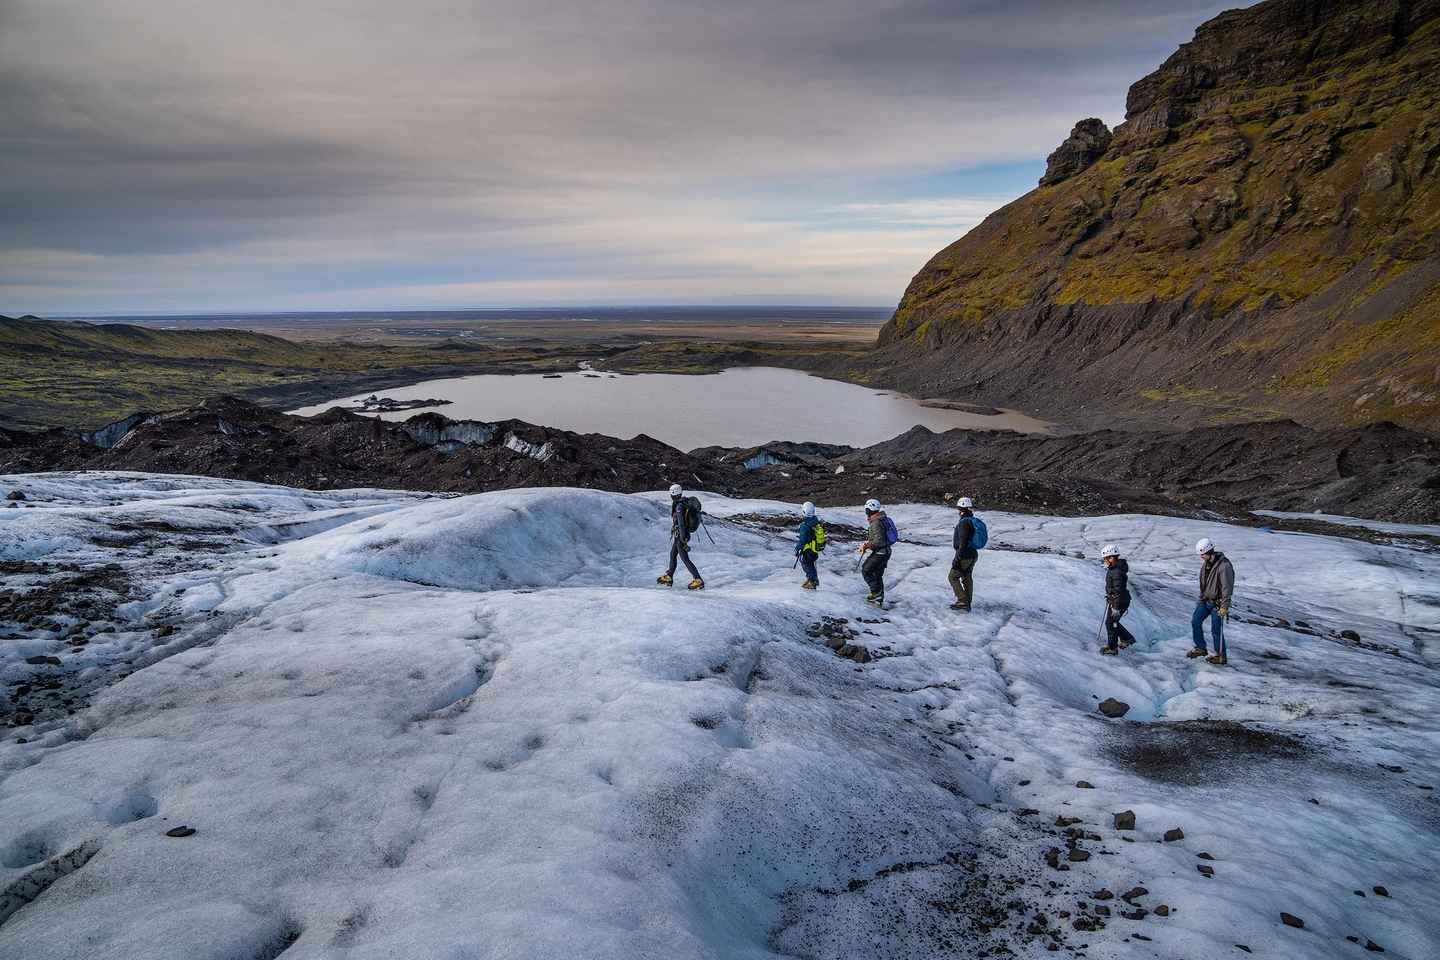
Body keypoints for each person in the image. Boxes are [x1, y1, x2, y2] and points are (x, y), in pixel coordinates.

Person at [1188, 537, 1233, 664]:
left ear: (1209, 551)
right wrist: (1202, 597)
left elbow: (1227, 587)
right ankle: (1201, 648)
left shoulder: (1224, 566)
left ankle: (1221, 656)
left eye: (1202, 554)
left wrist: (1225, 606)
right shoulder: (1206, 564)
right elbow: (1204, 583)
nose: (1201, 557)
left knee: (1216, 630)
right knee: (1195, 621)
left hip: (1217, 604)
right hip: (1205, 601)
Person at [657, 483, 704, 590]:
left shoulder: (679, 506)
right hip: (681, 535)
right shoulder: (684, 502)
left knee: (685, 558)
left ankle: (698, 579)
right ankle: (669, 576)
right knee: (673, 555)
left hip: (681, 535)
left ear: (673, 494)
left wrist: (683, 538)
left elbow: (681, 523)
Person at [1098, 544, 1135, 655]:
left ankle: (1112, 648)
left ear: (1111, 557)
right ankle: (1127, 638)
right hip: (1118, 600)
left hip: (1119, 601)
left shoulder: (1116, 571)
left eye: (1106, 558)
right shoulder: (1114, 569)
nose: (1105, 561)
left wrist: (1116, 607)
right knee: (1113, 622)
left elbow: (1119, 591)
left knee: (1111, 623)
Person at [857, 498, 893, 606]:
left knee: (866, 570)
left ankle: (876, 593)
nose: (865, 511)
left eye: (866, 508)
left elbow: (879, 541)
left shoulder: (876, 522)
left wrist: (867, 545)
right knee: (877, 574)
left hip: (880, 552)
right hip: (885, 552)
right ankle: (878, 597)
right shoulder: (880, 519)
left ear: (870, 509)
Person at [948, 496, 979, 611]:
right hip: (973, 554)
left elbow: (963, 543)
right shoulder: (971, 519)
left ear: (961, 509)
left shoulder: (964, 523)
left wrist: (957, 558)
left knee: (952, 577)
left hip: (965, 555)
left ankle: (962, 601)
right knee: (967, 577)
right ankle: (967, 602)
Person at [795, 501, 824, 590]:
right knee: (810, 564)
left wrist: (798, 548)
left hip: (808, 549)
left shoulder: (805, 525)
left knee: (806, 564)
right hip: (815, 549)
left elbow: (803, 539)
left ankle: (812, 581)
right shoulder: (815, 521)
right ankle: (812, 579)